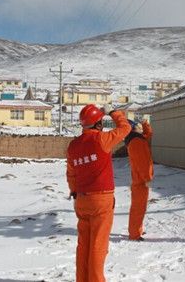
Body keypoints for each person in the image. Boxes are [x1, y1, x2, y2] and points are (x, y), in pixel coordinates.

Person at [66, 104, 131, 282]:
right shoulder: (102, 139)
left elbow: (71, 173)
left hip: (81, 200)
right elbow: (126, 128)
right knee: (98, 246)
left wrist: (74, 191)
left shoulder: (73, 145)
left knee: (84, 245)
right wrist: (113, 112)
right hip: (101, 200)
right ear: (99, 124)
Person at [124, 119, 153, 241]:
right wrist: (147, 178)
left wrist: (146, 124)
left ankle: (137, 230)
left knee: (140, 207)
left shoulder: (137, 139)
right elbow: (142, 162)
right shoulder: (137, 142)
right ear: (133, 129)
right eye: (138, 126)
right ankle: (134, 234)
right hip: (140, 180)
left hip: (139, 179)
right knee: (138, 208)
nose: (140, 127)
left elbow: (148, 134)